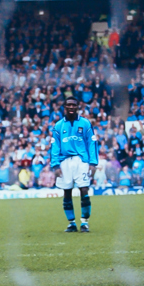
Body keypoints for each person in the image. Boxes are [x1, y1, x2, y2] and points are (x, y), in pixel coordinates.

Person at [50, 96, 98, 232]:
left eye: (73, 105)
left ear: (78, 107)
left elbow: (92, 143)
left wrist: (93, 163)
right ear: (64, 107)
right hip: (64, 161)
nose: (71, 107)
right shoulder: (58, 126)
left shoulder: (85, 123)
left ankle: (84, 222)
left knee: (84, 189)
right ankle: (71, 223)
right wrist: (55, 165)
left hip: (81, 160)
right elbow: (55, 146)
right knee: (67, 191)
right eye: (68, 105)